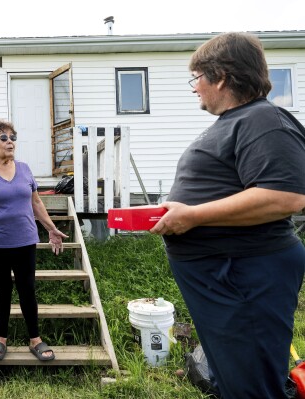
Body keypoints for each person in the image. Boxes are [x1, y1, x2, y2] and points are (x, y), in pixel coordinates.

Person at [151, 32, 305, 399]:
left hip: (244, 274)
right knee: (235, 379)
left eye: (197, 78)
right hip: (227, 278)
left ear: (220, 76)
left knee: (253, 387)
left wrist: (192, 216)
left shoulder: (264, 119)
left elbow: (285, 197)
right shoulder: (239, 121)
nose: (194, 89)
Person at [0, 119, 68, 361]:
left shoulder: (25, 169)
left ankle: (35, 339)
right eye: (3, 138)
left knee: (27, 289)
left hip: (25, 240)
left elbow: (36, 203)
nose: (10, 142)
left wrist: (51, 228)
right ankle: (1, 339)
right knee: (2, 290)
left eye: (13, 138)